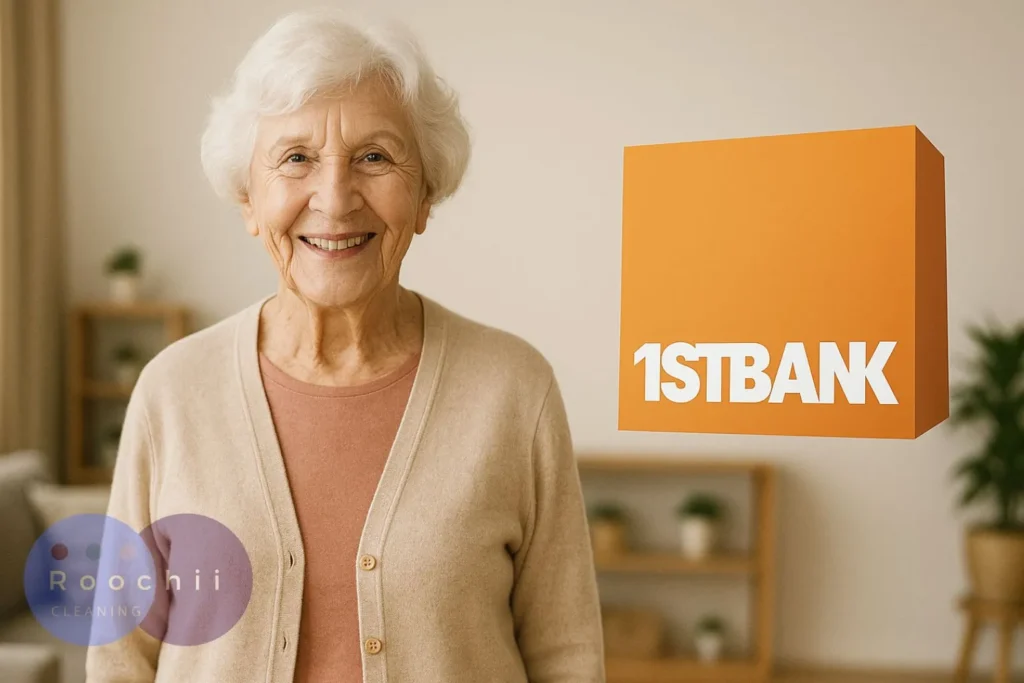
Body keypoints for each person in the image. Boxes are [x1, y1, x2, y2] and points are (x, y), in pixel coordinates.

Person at [85, 8, 605, 683]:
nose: (334, 198)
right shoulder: (173, 389)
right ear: (249, 198)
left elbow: (567, 654)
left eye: (375, 157)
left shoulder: (514, 389)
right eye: (296, 158)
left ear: (425, 195)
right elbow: (121, 657)